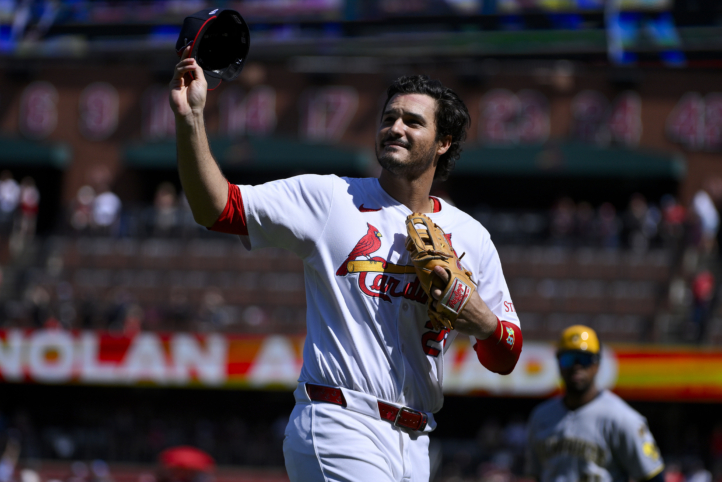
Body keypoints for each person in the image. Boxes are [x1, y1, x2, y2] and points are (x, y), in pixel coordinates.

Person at [170, 48, 522, 482]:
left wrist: (479, 318)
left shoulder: (471, 236)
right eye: (389, 118)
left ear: (443, 143)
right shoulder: (330, 198)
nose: (395, 127)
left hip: (415, 441)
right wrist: (191, 120)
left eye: (413, 121)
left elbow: (506, 355)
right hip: (340, 419)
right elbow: (218, 210)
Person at [526, 325, 664, 482]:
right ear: (558, 363)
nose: (576, 367)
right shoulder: (540, 415)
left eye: (584, 359)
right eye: (569, 359)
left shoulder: (623, 418)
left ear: (597, 364)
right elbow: (535, 475)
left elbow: (652, 476)